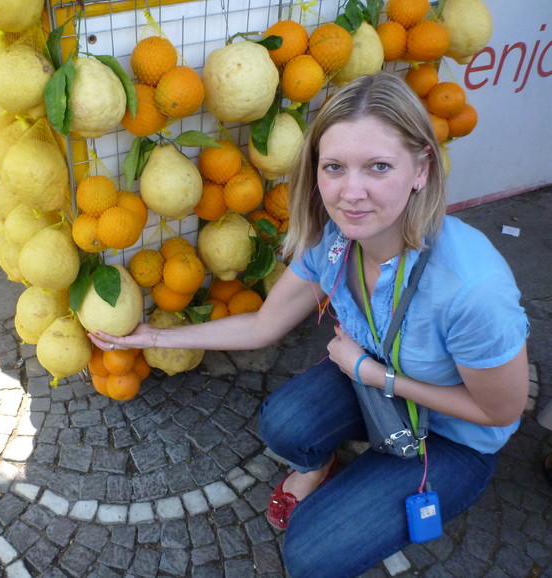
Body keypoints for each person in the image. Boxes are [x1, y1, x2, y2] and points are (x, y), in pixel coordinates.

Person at [90, 72, 529, 577]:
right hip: (373, 384)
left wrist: (370, 372)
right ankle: (328, 466)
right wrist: (153, 336)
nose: (351, 192)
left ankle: (383, 478)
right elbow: (263, 325)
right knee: (284, 425)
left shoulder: (472, 289)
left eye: (379, 167)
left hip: (452, 435)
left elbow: (498, 410)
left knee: (311, 557)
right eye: (334, 167)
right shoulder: (335, 242)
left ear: (421, 169)